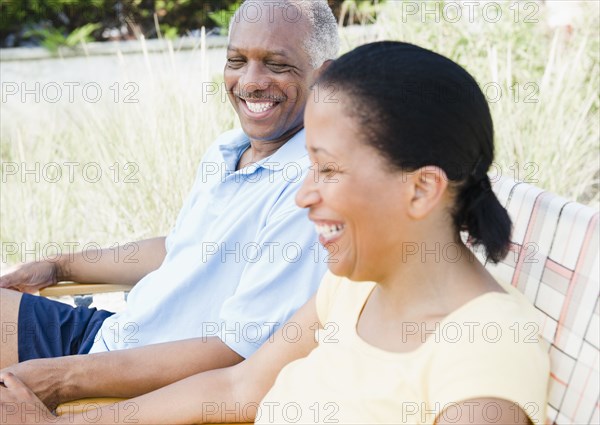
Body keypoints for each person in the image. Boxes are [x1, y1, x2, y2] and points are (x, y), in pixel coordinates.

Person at [0, 41, 550, 425]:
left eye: (328, 170)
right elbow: (235, 388)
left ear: (422, 189)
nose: (304, 195)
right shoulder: (356, 286)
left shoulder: (488, 349)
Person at [0, 0, 338, 404]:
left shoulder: (311, 189)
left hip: (142, 382)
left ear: (324, 76)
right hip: (110, 337)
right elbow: (181, 249)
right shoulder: (228, 149)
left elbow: (235, 353)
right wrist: (60, 265)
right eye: (236, 59)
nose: (250, 81)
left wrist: (59, 379)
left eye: (276, 64)